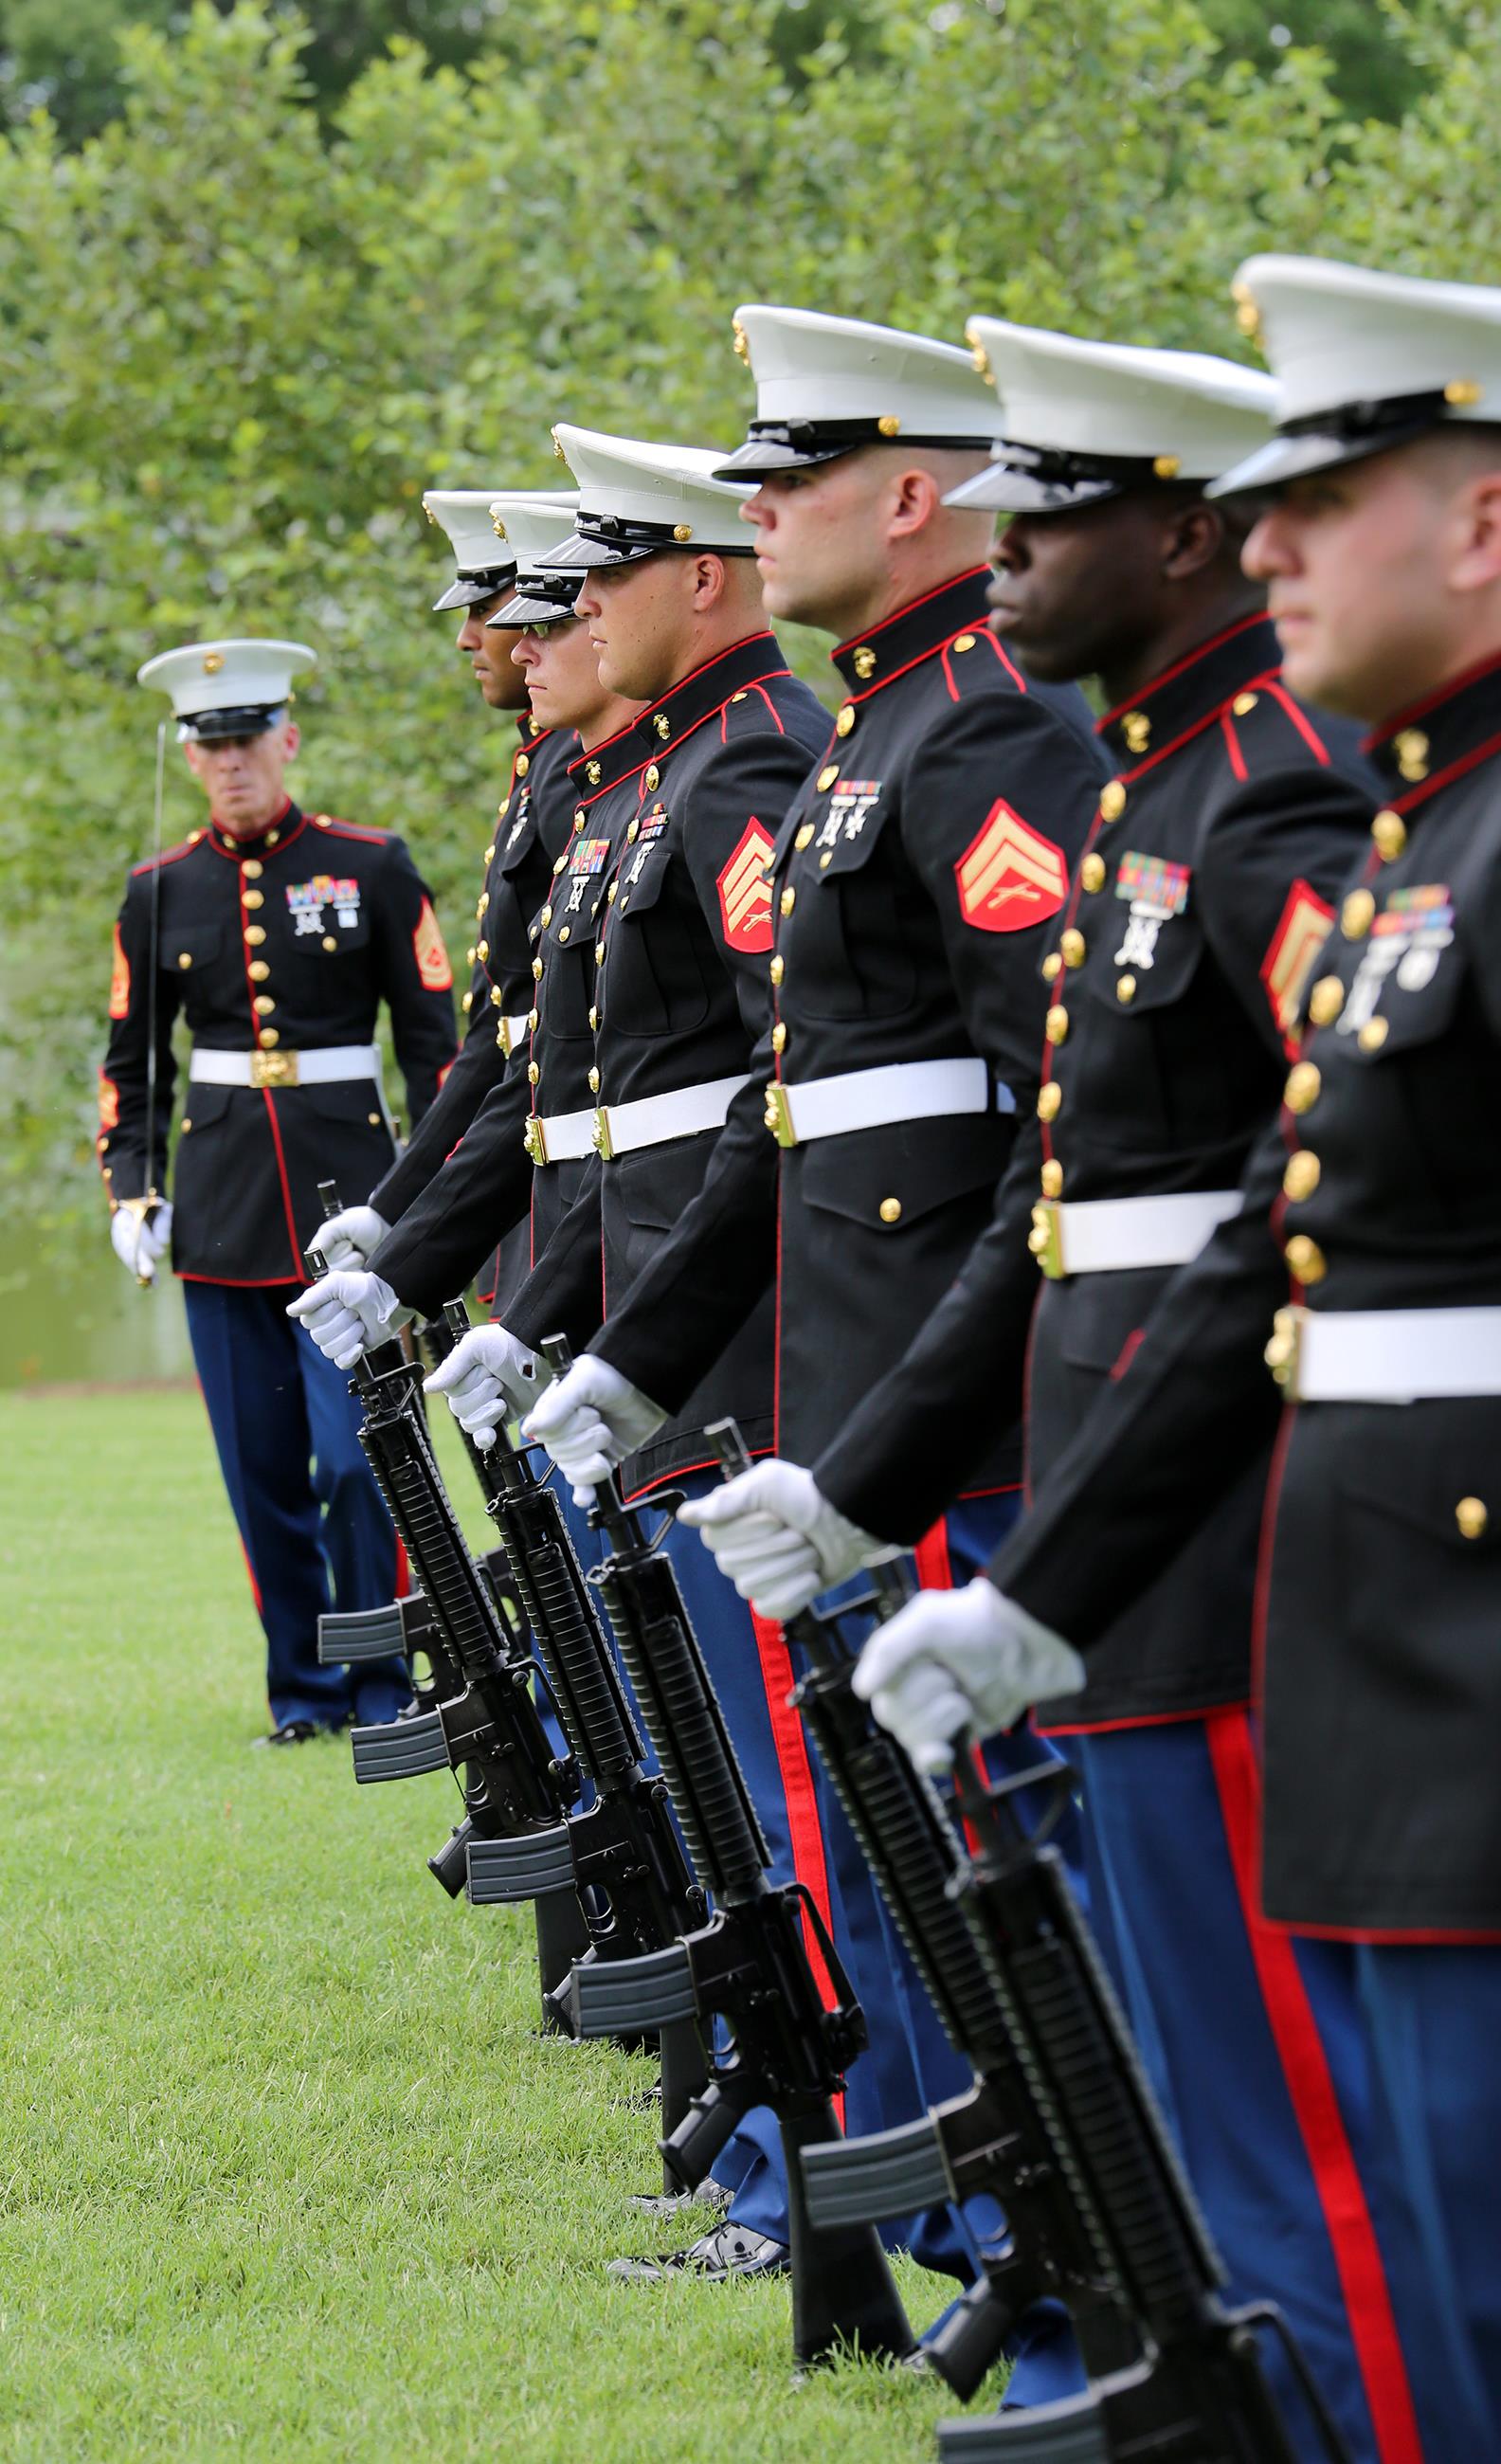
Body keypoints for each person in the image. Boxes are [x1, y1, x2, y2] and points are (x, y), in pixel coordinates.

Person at [678, 322, 1403, 2455]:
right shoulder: (1147, 782)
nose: (1012, 540)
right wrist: (872, 1467)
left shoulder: (1256, 784)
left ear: (1187, 533)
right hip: (1099, 1486)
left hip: (1201, 1516)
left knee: (1289, 2115)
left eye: (1058, 507)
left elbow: (1319, 1192)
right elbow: (1067, 1191)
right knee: (1180, 2069)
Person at [858, 254, 1501, 2464]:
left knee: (1391, 2230)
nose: (1276, 536)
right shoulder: (1374, 817)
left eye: (1330, 497)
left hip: (1384, 1617)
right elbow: (1262, 1230)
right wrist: (1019, 1577)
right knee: (1343, 2219)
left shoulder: (1316, 812)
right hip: (1302, 1592)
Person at [522, 315, 1105, 2329]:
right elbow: (793, 1113)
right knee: (863, 1845)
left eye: (791, 479)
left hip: (951, 1409)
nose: (753, 510)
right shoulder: (861, 738)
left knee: (958, 1845)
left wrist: (909, 1418)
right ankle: (942, 2208)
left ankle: (1012, 2225)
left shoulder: (979, 734)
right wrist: (622, 1355)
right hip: (840, 1388)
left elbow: (1063, 1120)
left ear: (917, 493)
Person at [297, 433, 856, 2282]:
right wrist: (436, 1251)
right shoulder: (634, 787)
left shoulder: (743, 760)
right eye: (530, 609)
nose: (540, 635)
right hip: (621, 1298)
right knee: (687, 1759)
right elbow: (537, 1085)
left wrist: (562, 1319)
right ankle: (777, 2155)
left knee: (768, 1783)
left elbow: (787, 1102)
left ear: (697, 583)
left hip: (710, 1325)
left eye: (576, 596)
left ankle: (824, 2176)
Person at [100, 638, 456, 1742]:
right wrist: (130, 1187)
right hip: (217, 1210)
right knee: (262, 1477)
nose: (232, 763)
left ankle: (382, 1681)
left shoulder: (373, 866)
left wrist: (435, 1198)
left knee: (361, 1462)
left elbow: (438, 1049)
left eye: (249, 740)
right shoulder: (156, 891)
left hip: (355, 1207)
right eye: (211, 747)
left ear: (287, 740)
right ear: (193, 758)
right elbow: (131, 1061)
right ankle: (302, 1696)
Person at [316, 487, 572, 1317]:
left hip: (573, 1182)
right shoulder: (545, 770)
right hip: (528, 1174)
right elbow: (497, 1036)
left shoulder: (578, 775)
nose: (469, 637)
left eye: (489, 608)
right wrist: (395, 1203)